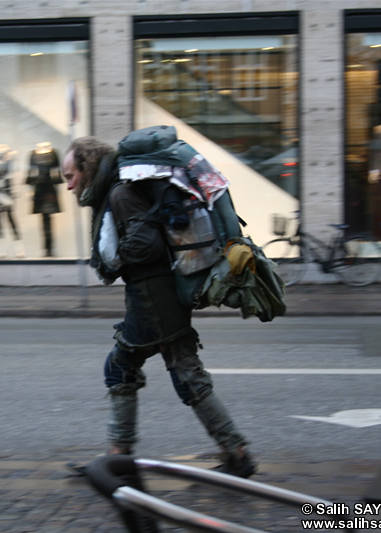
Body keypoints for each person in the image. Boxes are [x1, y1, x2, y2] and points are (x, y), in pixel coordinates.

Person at [62, 136, 256, 477]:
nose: (68, 185)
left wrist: (119, 260)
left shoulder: (120, 194)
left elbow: (145, 244)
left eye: (69, 175)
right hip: (159, 294)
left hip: (153, 298)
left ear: (87, 168)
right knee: (186, 374)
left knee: (121, 368)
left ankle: (119, 458)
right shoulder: (121, 190)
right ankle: (235, 451)